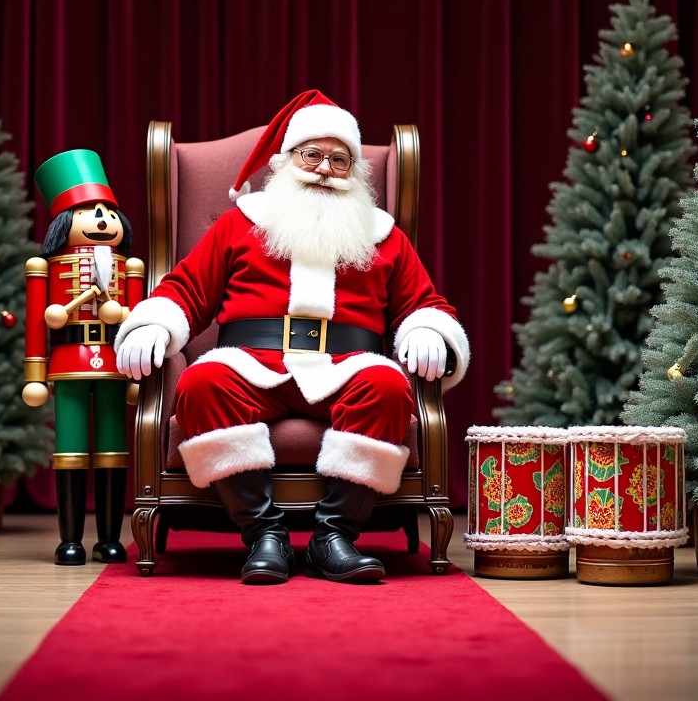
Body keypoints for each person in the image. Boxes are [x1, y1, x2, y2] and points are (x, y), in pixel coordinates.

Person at [114, 90, 469, 584]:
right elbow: (187, 290)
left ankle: (334, 536)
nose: (324, 168)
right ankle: (264, 535)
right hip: (252, 364)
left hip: (349, 366)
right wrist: (155, 321)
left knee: (389, 388)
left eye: (339, 159)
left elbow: (426, 304)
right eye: (312, 155)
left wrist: (430, 329)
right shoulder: (243, 222)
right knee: (201, 384)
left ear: (355, 171)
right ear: (287, 160)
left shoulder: (384, 234)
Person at [22, 149, 144, 565]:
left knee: (113, 450)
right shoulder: (46, 266)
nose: (102, 221)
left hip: (113, 363)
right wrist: (35, 374)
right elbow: (38, 324)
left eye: (108, 213)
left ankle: (110, 538)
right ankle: (69, 540)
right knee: (70, 450)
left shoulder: (128, 267)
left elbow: (137, 320)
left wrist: (134, 372)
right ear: (63, 224)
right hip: (69, 362)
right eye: (89, 212)